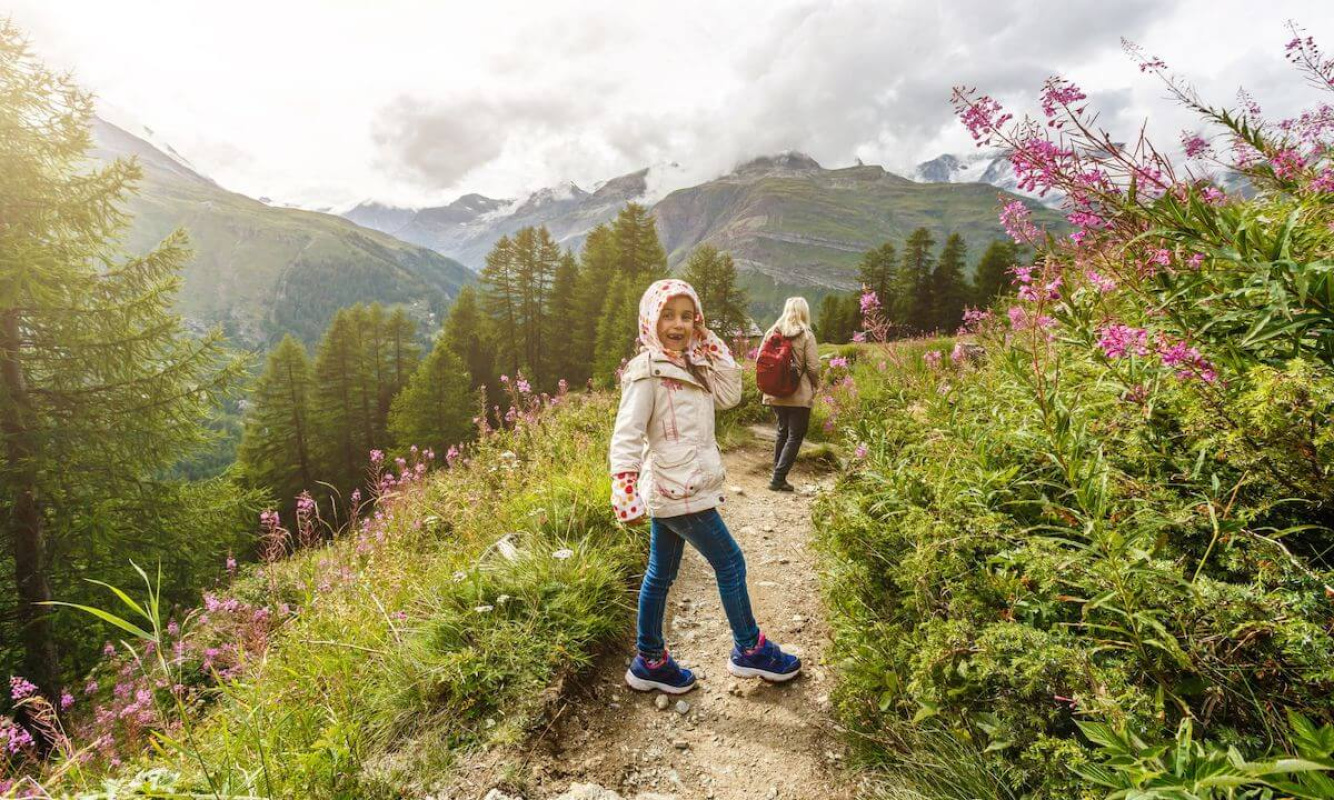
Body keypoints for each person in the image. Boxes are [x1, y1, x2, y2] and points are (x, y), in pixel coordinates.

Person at [609, 278, 801, 695]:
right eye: (668, 315)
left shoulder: (689, 362)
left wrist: (710, 342)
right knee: (730, 562)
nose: (678, 324)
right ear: (649, 319)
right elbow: (626, 434)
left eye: (687, 316)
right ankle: (749, 650)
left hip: (679, 487)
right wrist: (623, 487)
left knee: (660, 573)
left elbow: (730, 395)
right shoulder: (647, 371)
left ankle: (649, 660)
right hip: (678, 489)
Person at [761, 297, 820, 492]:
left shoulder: (772, 331)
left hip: (776, 392)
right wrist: (816, 385)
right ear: (804, 312)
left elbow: (760, 359)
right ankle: (778, 479)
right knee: (795, 435)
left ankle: (777, 476)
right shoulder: (806, 334)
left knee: (782, 432)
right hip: (799, 393)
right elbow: (812, 367)